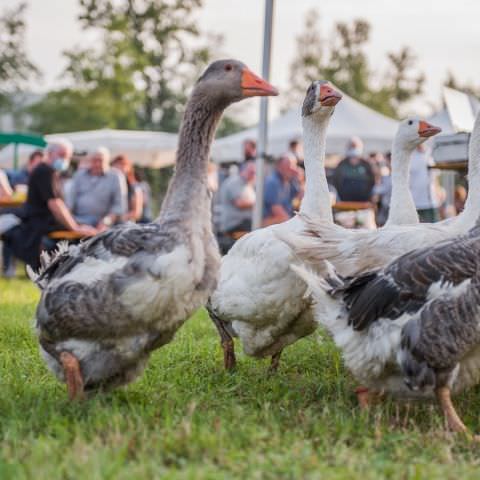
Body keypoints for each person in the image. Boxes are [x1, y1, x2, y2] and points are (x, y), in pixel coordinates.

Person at [3, 139, 97, 269]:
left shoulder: (49, 171)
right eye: (62, 155)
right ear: (50, 153)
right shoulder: (45, 171)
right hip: (42, 223)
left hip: (42, 222)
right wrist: (74, 227)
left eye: (67, 156)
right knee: (89, 233)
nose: (65, 159)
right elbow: (55, 204)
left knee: (89, 229)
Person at [66, 147, 127, 228]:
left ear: (107, 161)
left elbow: (119, 205)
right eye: (94, 160)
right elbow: (70, 201)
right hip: (79, 221)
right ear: (89, 160)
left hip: (106, 223)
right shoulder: (79, 175)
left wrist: (106, 222)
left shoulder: (116, 176)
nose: (98, 164)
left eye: (101, 160)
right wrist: (70, 222)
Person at [216, 161, 256, 253]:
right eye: (251, 172)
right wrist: (259, 204)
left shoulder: (247, 184)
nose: (254, 175)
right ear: (243, 171)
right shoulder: (235, 182)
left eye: (254, 173)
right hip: (234, 225)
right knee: (259, 229)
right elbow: (240, 203)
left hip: (242, 223)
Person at [262, 154, 301, 226]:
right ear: (279, 167)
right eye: (289, 165)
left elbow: (301, 197)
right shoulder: (272, 182)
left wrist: (301, 180)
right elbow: (278, 212)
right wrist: (296, 225)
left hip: (282, 220)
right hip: (268, 223)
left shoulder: (290, 180)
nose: (293, 168)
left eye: (294, 165)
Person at [333, 137, 375, 202]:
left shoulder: (366, 165)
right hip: (345, 199)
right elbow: (336, 181)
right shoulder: (342, 164)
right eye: (351, 147)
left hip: (363, 200)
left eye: (355, 147)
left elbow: (372, 181)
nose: (353, 158)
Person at [409, 143, 440, 222]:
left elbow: (435, 176)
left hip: (431, 202)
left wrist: (438, 191)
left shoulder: (431, 153)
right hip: (415, 203)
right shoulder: (410, 156)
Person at [111, 154, 143, 223]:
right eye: (117, 164)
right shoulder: (109, 185)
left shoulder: (134, 188)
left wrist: (120, 217)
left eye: (123, 164)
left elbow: (137, 213)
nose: (119, 167)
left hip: (125, 224)